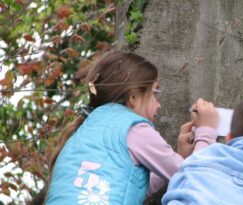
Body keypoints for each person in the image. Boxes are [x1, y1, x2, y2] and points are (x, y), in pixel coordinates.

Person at [45, 50, 219, 205]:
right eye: (155, 93)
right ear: (134, 97)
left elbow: (129, 185)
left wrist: (179, 156)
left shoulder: (85, 131)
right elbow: (194, 178)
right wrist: (206, 131)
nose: (158, 105)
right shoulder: (133, 129)